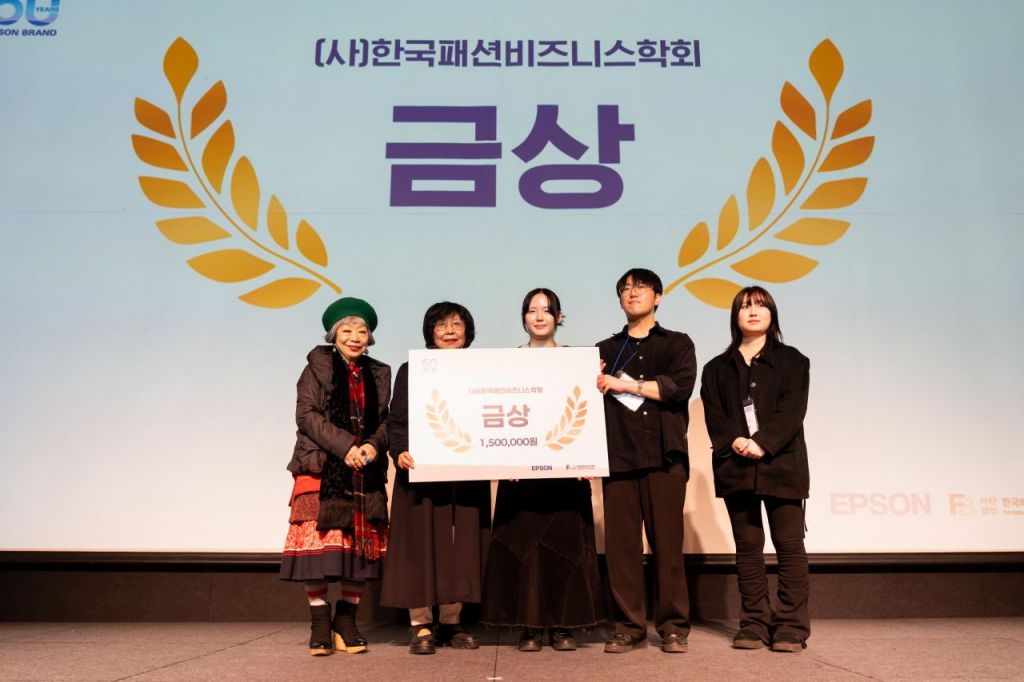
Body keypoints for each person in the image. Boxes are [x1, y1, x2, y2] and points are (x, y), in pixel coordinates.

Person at [481, 288, 605, 652]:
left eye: (547, 310)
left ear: (559, 317)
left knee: (565, 546)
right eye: (532, 310)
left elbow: (589, 413)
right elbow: (496, 412)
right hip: (519, 475)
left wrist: (588, 457)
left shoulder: (579, 362)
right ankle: (530, 627)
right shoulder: (507, 362)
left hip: (567, 473)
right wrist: (502, 460)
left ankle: (565, 626)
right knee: (526, 549)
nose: (539, 317)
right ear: (523, 317)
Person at [700, 286, 811, 652]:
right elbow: (714, 413)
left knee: (789, 545)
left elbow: (792, 410)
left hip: (782, 464)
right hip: (735, 466)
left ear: (772, 315)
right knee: (748, 546)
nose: (752, 311)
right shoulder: (716, 368)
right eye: (745, 306)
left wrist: (762, 442)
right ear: (735, 316)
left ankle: (791, 626)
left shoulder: (793, 361)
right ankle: (754, 623)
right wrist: (734, 439)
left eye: (761, 306)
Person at [280, 297, 391, 656]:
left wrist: (372, 446)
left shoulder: (380, 372)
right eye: (347, 330)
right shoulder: (317, 366)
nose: (355, 337)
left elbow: (386, 421)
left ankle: (346, 622)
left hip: (364, 470)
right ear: (333, 334)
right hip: (322, 466)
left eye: (362, 331)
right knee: (316, 547)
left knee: (359, 548)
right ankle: (319, 623)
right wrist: (346, 447)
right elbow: (307, 415)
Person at [380, 302, 491, 655]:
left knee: (460, 547)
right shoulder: (412, 369)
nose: (450, 331)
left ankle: (452, 621)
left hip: (466, 473)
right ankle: (421, 624)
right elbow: (397, 420)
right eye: (441, 325)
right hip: (421, 470)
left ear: (468, 332)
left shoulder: (483, 370)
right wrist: (400, 451)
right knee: (420, 544)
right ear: (430, 332)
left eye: (457, 324)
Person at [596, 268, 696, 654]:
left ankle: (673, 627)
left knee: (668, 546)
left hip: (665, 458)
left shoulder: (677, 343)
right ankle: (628, 627)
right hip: (618, 458)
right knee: (622, 550)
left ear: (658, 297)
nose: (631, 293)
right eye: (624, 288)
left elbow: (677, 388)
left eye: (640, 287)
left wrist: (625, 385)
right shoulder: (603, 350)